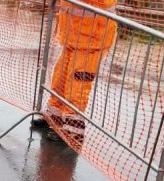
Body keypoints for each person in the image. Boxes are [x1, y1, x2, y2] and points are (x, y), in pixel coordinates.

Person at [46, 0, 118, 144]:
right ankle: (55, 116)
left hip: (92, 38)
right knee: (61, 75)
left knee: (77, 82)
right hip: (72, 34)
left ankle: (74, 127)